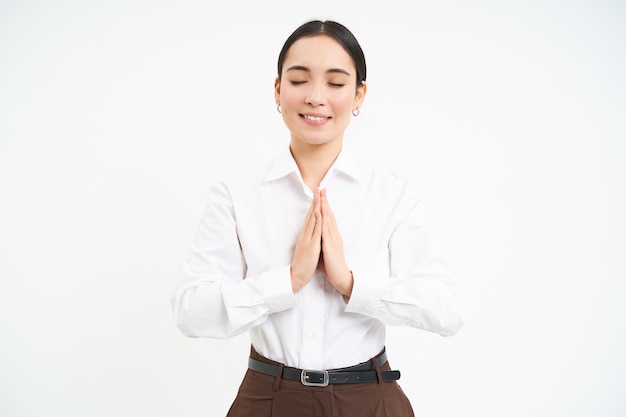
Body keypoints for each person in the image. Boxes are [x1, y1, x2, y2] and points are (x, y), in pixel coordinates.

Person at [170, 19, 464, 417]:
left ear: (359, 95)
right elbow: (191, 311)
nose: (315, 96)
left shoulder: (394, 196)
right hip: (268, 399)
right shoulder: (236, 196)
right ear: (278, 90)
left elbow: (446, 311)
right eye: (299, 80)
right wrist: (287, 282)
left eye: (336, 83)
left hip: (370, 399)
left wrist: (350, 283)